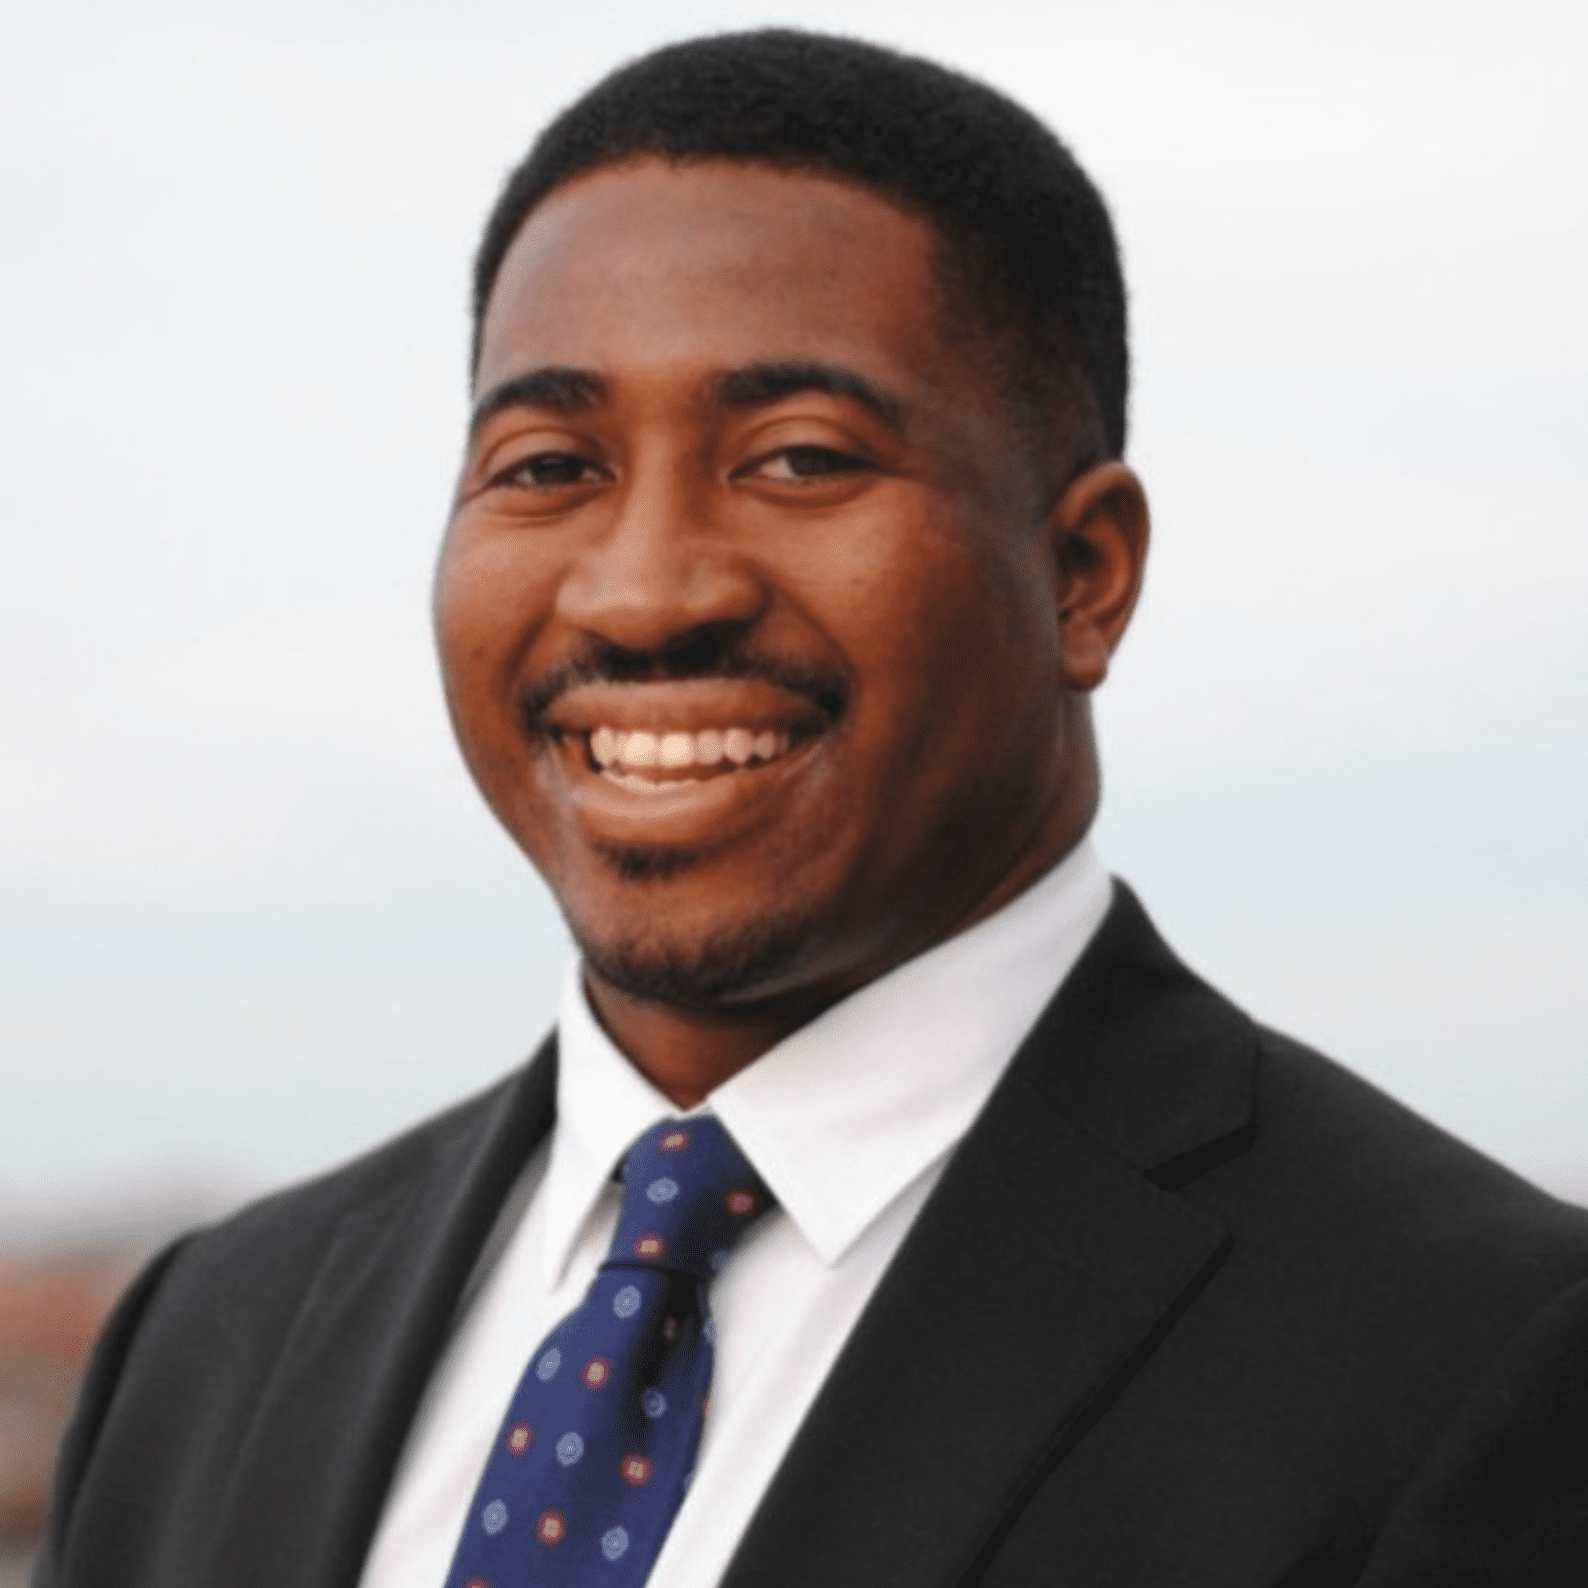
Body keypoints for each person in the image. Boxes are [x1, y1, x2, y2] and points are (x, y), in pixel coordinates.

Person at [34, 28, 1588, 1588]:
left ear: (1084, 576)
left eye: (795, 458)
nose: (644, 592)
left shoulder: (1477, 1365)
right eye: (548, 464)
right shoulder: (210, 1340)